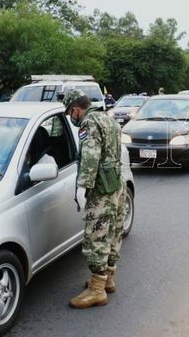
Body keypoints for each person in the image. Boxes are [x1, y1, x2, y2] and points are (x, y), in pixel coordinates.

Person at [61, 89, 125, 309]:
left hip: (100, 189)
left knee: (95, 235)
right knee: (113, 232)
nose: (72, 117)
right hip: (117, 183)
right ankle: (107, 278)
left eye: (70, 112)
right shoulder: (107, 118)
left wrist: (82, 186)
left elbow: (90, 157)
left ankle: (96, 290)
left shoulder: (89, 123)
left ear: (76, 109)